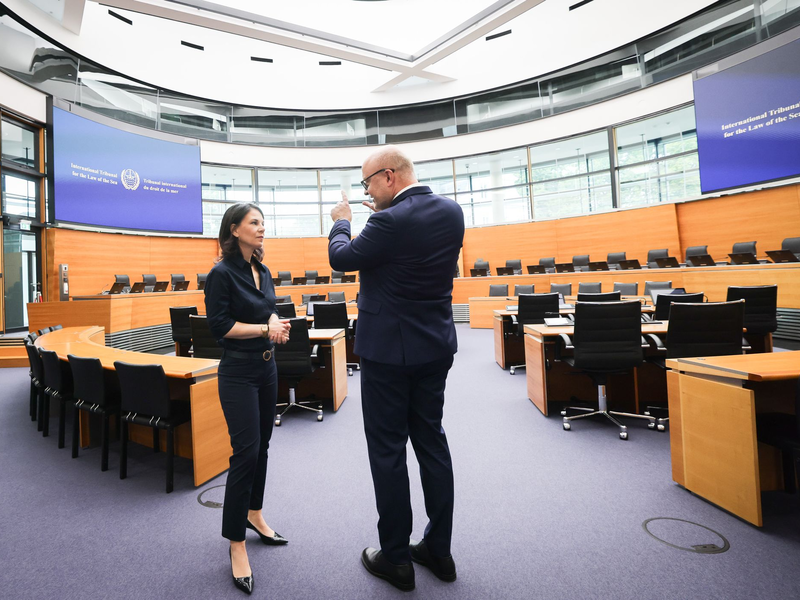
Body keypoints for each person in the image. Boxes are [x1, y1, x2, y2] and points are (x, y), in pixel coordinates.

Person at [328, 146, 465, 591]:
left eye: (369, 183)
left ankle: (396, 558)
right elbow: (407, 250)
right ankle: (439, 551)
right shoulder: (451, 212)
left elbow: (342, 258)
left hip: (387, 353)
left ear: (388, 177)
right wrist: (380, 213)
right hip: (434, 348)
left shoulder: (385, 222)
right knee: (431, 441)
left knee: (388, 451)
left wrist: (343, 220)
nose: (367, 190)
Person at [204, 203, 292, 595]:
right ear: (234, 229)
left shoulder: (263, 269)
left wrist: (274, 323)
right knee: (246, 452)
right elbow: (220, 327)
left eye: (262, 223)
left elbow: (268, 309)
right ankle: (236, 542)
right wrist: (263, 328)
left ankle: (255, 514)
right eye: (254, 223)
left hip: (267, 369)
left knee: (265, 447)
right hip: (237, 372)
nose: (261, 228)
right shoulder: (221, 274)